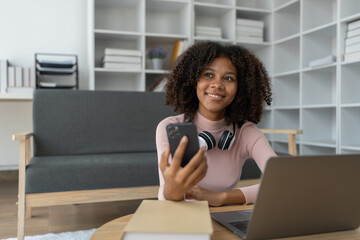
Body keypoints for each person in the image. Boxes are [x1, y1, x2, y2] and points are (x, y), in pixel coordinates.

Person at [156, 41, 277, 206]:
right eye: (208, 75)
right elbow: (166, 198)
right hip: (181, 215)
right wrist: (172, 189)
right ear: (193, 80)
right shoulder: (170, 127)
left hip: (222, 214)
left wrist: (220, 197)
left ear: (240, 88)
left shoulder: (246, 132)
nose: (217, 85)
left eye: (228, 78)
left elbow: (283, 183)